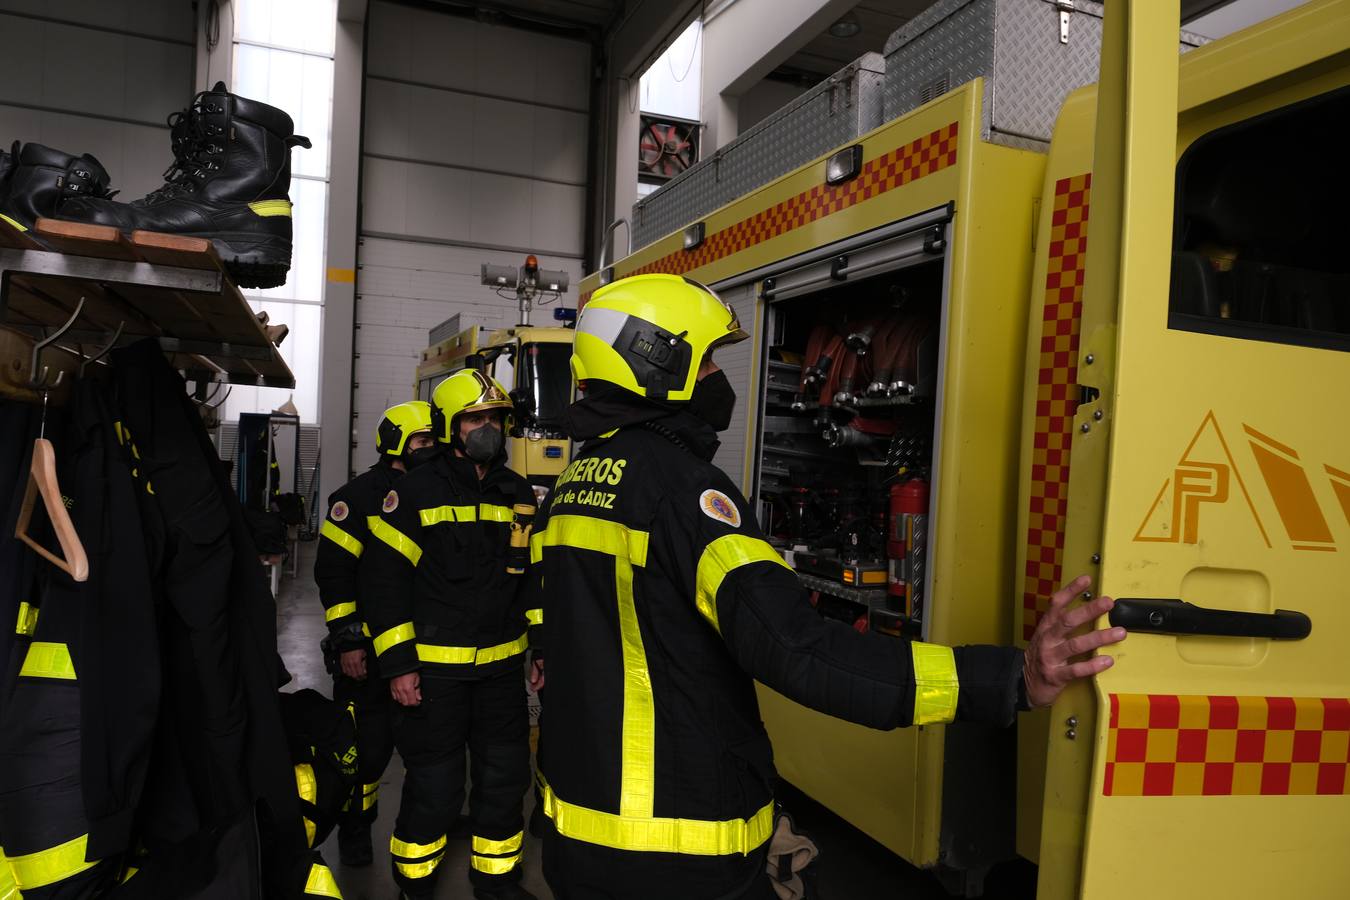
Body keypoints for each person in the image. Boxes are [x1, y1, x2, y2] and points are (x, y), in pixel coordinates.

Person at [529, 273, 1129, 900]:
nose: (716, 378)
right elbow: (796, 649)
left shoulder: (572, 487)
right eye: (706, 360)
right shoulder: (682, 493)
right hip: (674, 856)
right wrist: (1007, 679)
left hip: (580, 843)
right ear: (659, 363)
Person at [364, 370, 541, 900]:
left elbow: (532, 574)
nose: (487, 428)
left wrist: (543, 647)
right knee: (435, 788)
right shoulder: (413, 492)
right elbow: (384, 585)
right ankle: (414, 885)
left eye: (495, 418)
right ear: (448, 427)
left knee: (505, 781)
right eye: (474, 419)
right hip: (432, 675)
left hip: (501, 674)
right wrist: (398, 666)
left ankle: (497, 881)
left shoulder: (517, 493)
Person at [312, 400, 436, 866]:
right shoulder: (358, 499)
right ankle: (354, 828)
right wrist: (347, 638)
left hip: (416, 646)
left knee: (425, 751)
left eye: (433, 441)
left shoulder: (436, 491)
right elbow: (335, 573)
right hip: (366, 651)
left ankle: (421, 832)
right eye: (422, 442)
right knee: (366, 751)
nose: (431, 450)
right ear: (395, 446)